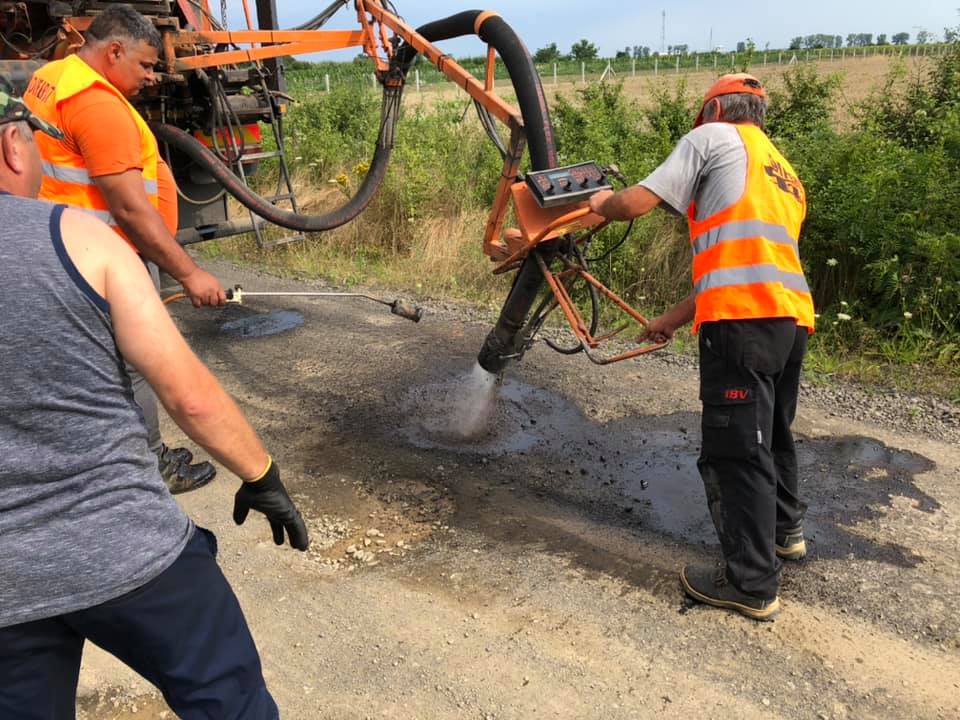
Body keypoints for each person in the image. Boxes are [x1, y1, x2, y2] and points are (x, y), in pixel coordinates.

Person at [0, 84, 308, 718]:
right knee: (230, 703)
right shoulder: (78, 239)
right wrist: (261, 476)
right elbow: (189, 398)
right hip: (125, 546)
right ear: (12, 144)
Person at [589, 74, 815, 621]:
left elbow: (635, 202)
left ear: (714, 110)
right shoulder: (782, 171)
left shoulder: (712, 137)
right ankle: (785, 534)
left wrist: (598, 202)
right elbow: (741, 260)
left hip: (741, 324)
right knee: (772, 432)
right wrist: (672, 318)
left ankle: (751, 584)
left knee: (737, 449)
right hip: (788, 321)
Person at [23, 4, 226, 493]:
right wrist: (190, 275)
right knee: (137, 363)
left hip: (59, 248)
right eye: (145, 65)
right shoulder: (98, 106)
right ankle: (151, 466)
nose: (152, 76)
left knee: (95, 363)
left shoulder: (53, 76)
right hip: (103, 259)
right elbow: (132, 210)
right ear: (114, 51)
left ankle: (111, 455)